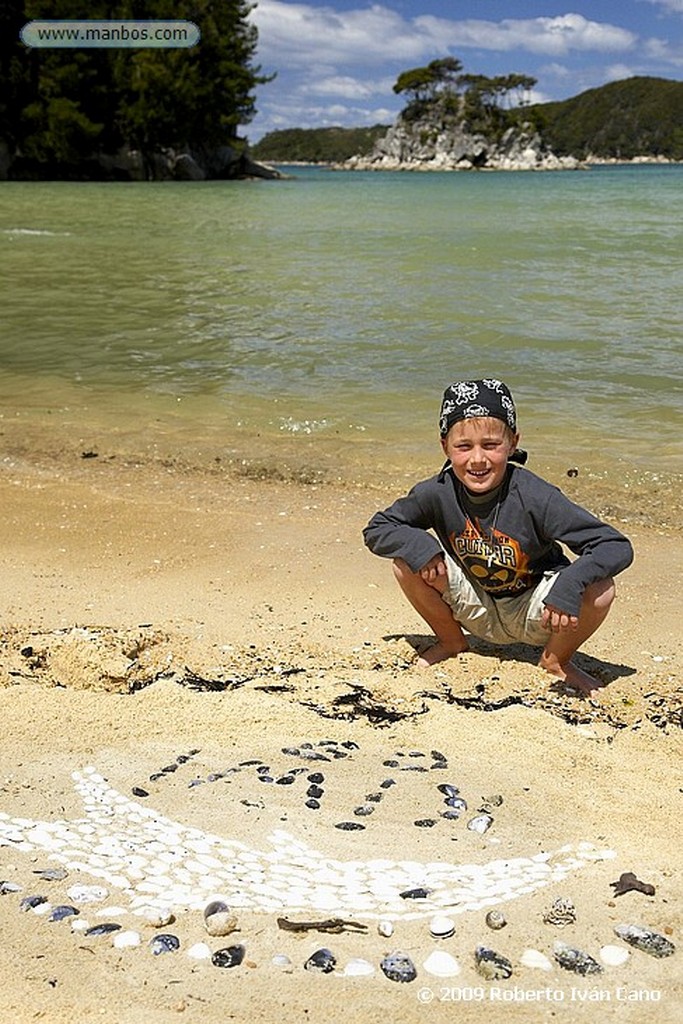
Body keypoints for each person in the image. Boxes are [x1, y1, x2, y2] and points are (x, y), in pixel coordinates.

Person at [363, 378, 633, 695]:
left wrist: (571, 584)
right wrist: (422, 546)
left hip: (539, 611)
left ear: (513, 442)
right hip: (475, 604)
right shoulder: (436, 493)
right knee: (405, 562)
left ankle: (556, 660)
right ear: (445, 446)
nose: (478, 459)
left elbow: (615, 546)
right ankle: (452, 641)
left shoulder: (536, 496)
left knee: (600, 589)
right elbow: (378, 527)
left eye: (491, 445)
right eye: (464, 447)